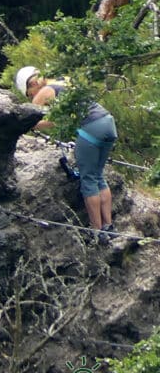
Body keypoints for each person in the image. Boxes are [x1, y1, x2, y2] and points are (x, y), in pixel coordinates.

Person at [15, 66, 117, 241]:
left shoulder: (45, 90)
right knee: (98, 176)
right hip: (107, 123)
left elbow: (28, 116)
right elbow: (56, 121)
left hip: (90, 128)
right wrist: (36, 126)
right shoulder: (62, 81)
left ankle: (97, 232)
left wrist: (23, 126)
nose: (31, 96)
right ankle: (108, 227)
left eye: (28, 93)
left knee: (88, 180)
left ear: (31, 83)